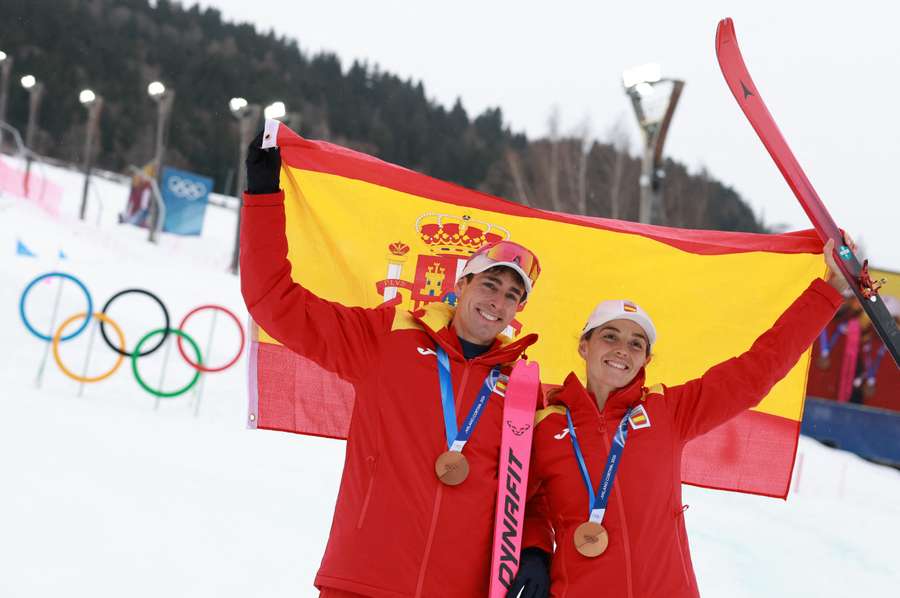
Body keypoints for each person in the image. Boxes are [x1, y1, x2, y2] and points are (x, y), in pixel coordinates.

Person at [240, 132, 545, 597]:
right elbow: (274, 302)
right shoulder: (390, 339)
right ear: (461, 285)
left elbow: (534, 492)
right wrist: (264, 199)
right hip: (362, 578)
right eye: (489, 285)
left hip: (457, 588)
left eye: (512, 295)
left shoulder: (523, 387)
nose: (497, 302)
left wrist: (537, 548)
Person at [507, 241, 847, 598]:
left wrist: (828, 292)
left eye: (637, 344)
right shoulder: (545, 424)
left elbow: (757, 369)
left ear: (646, 360)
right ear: (584, 346)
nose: (622, 349)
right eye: (610, 336)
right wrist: (534, 551)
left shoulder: (668, 411)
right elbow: (525, 504)